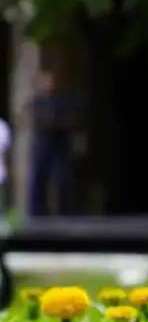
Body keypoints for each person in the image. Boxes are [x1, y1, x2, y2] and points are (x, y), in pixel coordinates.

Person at [27, 70, 81, 216]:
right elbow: (33, 119)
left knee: (62, 178)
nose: (49, 84)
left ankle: (65, 210)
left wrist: (57, 124)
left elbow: (71, 120)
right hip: (43, 143)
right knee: (38, 176)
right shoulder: (37, 102)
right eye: (45, 82)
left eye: (51, 81)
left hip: (60, 143)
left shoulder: (64, 100)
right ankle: (37, 212)